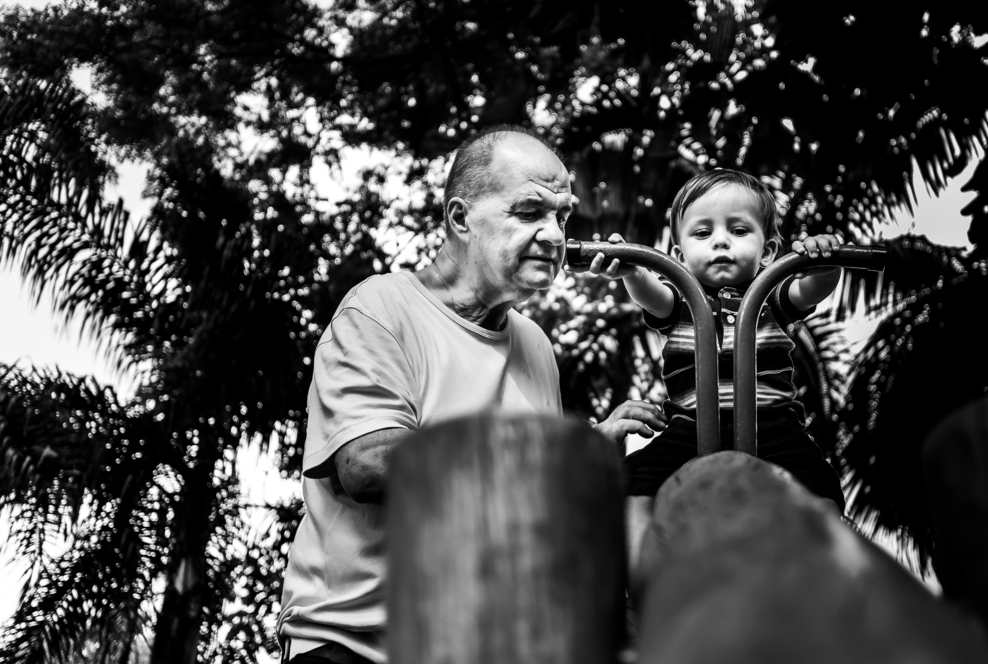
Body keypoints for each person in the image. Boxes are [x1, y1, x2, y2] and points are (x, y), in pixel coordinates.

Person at [277, 126, 665, 664]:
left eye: (562, 216)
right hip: (355, 645)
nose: (555, 235)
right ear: (460, 219)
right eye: (529, 212)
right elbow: (366, 464)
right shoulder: (380, 307)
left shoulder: (535, 346)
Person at [579, 168, 846, 575]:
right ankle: (643, 572)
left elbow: (810, 288)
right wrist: (633, 271)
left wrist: (825, 265)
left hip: (772, 424)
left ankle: (822, 568)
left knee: (817, 478)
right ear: (679, 255)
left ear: (769, 251)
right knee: (636, 479)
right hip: (690, 427)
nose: (720, 241)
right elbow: (651, 293)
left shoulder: (770, 298)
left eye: (738, 230)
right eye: (702, 233)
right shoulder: (681, 302)